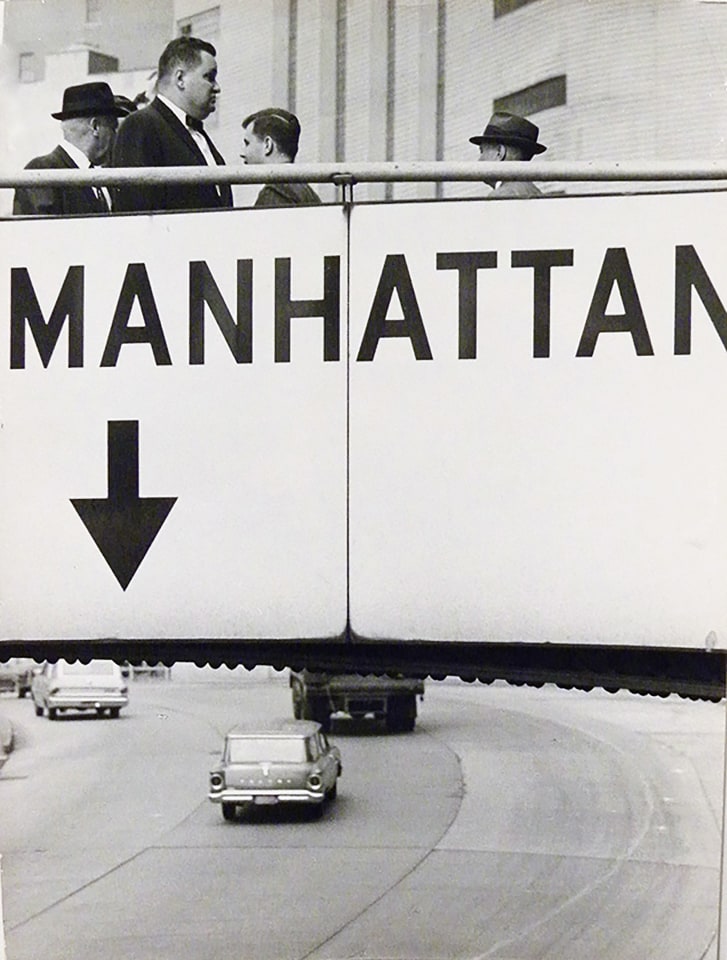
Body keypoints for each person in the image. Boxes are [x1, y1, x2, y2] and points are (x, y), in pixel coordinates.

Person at [112, 35, 232, 212]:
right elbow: (135, 212)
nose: (217, 87)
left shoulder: (197, 133)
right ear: (180, 79)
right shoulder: (140, 126)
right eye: (209, 77)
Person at [13, 81, 125, 216]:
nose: (115, 136)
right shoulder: (42, 172)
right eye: (113, 128)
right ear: (95, 127)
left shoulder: (103, 177)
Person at [240, 107, 321, 206]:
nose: (242, 153)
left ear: (267, 145)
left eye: (247, 143)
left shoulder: (273, 194)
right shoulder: (307, 192)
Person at [469, 111, 547, 198]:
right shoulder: (537, 193)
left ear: (500, 152)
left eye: (482, 151)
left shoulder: (501, 195)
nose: (479, 160)